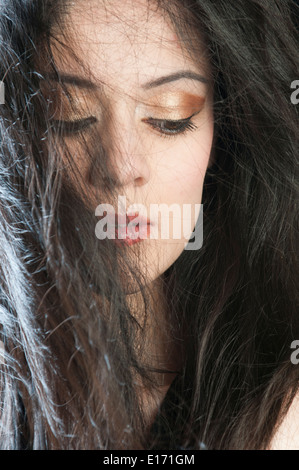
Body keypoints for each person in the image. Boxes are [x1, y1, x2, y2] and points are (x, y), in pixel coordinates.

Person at [0, 0, 298, 450]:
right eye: (69, 115)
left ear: (224, 136)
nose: (121, 167)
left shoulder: (283, 411)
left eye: (169, 117)